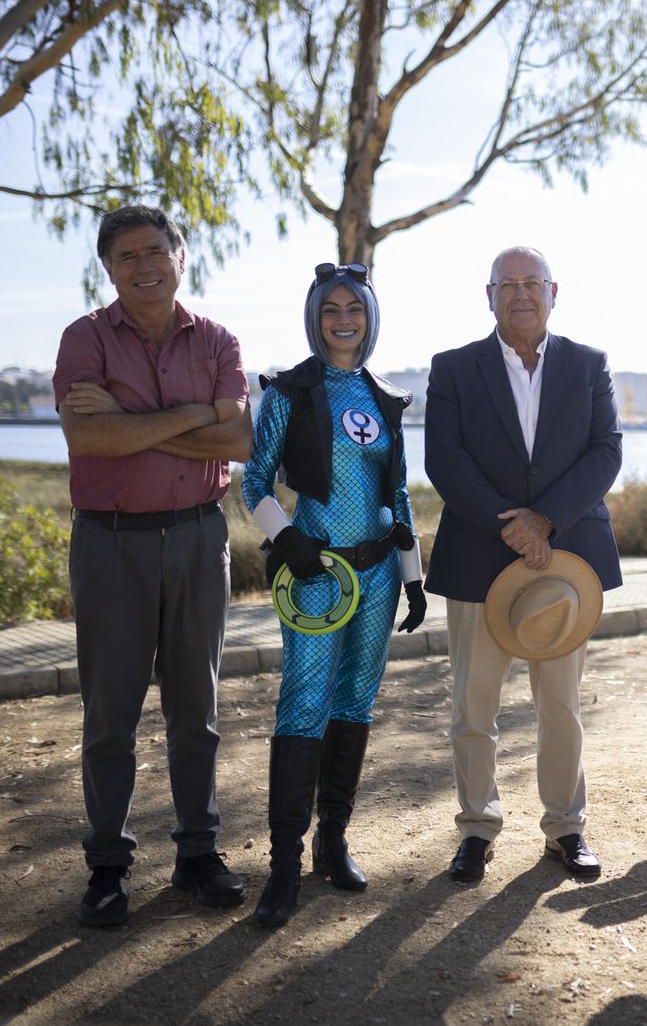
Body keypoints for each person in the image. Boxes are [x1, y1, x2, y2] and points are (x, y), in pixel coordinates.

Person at [52, 205, 252, 927]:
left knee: (196, 709)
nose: (144, 266)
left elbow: (242, 439)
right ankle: (107, 865)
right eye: (127, 256)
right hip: (110, 543)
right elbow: (89, 439)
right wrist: (196, 415)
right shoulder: (85, 338)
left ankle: (198, 853)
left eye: (155, 251)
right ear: (109, 269)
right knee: (111, 714)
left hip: (199, 537)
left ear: (180, 256)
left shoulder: (218, 339)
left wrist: (131, 421)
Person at [424, 246, 622, 882]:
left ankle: (566, 828)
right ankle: (476, 829)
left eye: (532, 282)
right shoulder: (453, 368)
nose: (520, 293)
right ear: (489, 297)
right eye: (506, 284)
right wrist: (511, 525)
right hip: (479, 555)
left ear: (553, 292)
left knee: (560, 706)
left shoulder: (589, 364)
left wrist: (546, 521)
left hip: (567, 560)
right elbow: (444, 458)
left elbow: (605, 451)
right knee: (473, 705)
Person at [242, 261, 427, 927]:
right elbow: (253, 481)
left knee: (355, 701)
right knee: (304, 702)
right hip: (316, 573)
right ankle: (283, 865)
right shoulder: (289, 392)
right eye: (331, 309)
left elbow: (397, 493)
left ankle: (333, 840)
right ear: (315, 317)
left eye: (354, 308)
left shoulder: (386, 397)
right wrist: (286, 537)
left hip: (377, 575)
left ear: (369, 317)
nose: (343, 319)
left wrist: (413, 575)